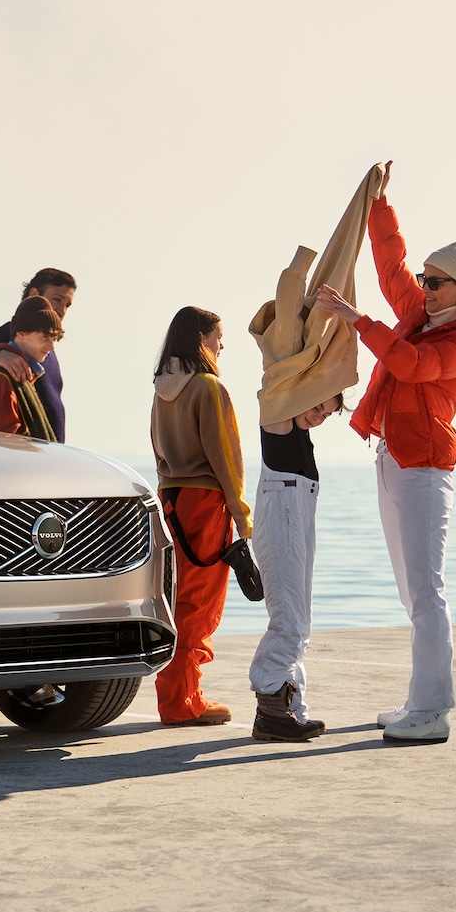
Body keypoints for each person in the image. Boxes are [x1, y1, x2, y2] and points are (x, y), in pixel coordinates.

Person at [311, 173, 456, 747]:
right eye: (425, 278)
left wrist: (356, 319)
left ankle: (433, 710)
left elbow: (412, 367)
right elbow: (390, 266)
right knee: (409, 590)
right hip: (393, 459)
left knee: (426, 590)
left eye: (436, 282)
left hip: (425, 470)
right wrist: (379, 204)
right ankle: (420, 698)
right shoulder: (420, 313)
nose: (424, 287)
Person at [148, 305, 253, 727]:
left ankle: (175, 694)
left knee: (175, 599)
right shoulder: (209, 387)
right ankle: (183, 702)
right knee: (201, 604)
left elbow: (156, 447)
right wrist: (242, 515)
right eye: (216, 337)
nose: (221, 345)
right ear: (199, 340)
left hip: (168, 498)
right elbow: (227, 459)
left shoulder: (162, 387)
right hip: (205, 504)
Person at [244, 399, 337, 742]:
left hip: (296, 523)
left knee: (301, 623)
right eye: (318, 408)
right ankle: (271, 706)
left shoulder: (300, 432)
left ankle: (288, 707)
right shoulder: (279, 420)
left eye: (327, 415)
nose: (320, 418)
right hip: (282, 525)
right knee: (289, 622)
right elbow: (276, 381)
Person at [0, 268, 76, 437]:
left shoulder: (46, 350)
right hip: (21, 456)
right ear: (33, 294)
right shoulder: (5, 335)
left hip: (47, 457)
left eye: (67, 305)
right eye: (57, 299)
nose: (61, 309)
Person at [0, 298, 63, 440]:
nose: (51, 346)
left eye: (54, 338)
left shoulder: (22, 375)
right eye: (44, 337)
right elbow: (5, 444)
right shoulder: (2, 379)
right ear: (21, 334)